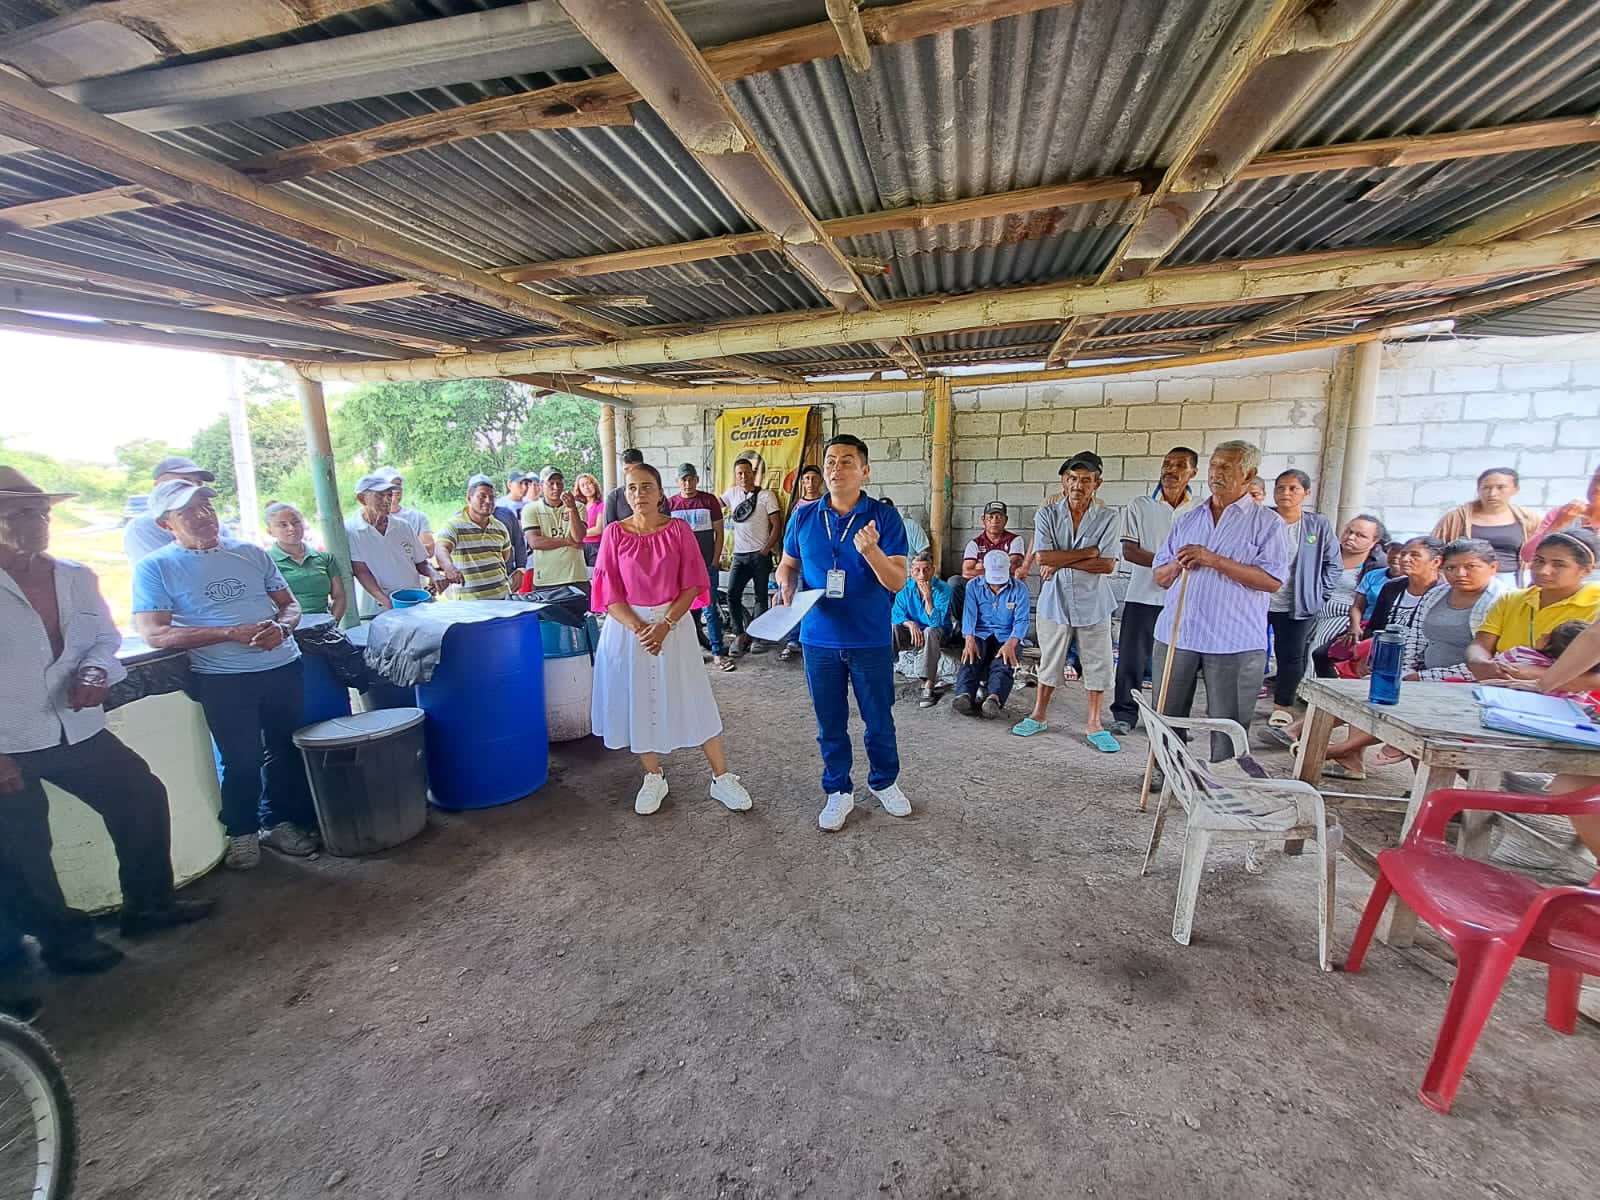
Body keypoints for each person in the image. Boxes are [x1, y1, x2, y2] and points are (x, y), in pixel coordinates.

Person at [0, 469, 214, 994]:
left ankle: (148, 906)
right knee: (24, 849)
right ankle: (62, 941)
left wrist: (97, 671)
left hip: (76, 726)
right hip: (8, 740)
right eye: (21, 513)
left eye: (42, 511)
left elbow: (103, 638)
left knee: (140, 796)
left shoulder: (74, 575)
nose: (38, 522)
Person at [132, 478, 320, 867]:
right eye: (189, 511)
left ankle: (278, 821)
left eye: (207, 506)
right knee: (242, 759)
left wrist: (282, 628)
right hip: (223, 679)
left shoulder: (250, 553)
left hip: (282, 667)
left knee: (284, 748)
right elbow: (154, 633)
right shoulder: (156, 567)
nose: (204, 516)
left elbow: (289, 605)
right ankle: (242, 832)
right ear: (166, 523)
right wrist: (228, 633)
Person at [589, 462, 755, 816]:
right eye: (632, 488)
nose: (639, 494)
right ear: (625, 494)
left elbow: (693, 582)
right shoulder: (614, 533)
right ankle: (653, 776)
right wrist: (640, 629)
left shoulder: (678, 530)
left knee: (693, 695)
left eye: (646, 486)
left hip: (673, 625)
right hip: (629, 630)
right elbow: (608, 592)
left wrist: (664, 625)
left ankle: (721, 777)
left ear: (661, 492)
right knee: (640, 700)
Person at [777, 434, 912, 831]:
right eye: (831, 461)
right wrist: (784, 583)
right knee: (830, 722)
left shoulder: (884, 518)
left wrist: (871, 551)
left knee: (878, 718)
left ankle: (884, 781)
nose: (836, 468)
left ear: (865, 471)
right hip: (818, 638)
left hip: (869, 637)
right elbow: (787, 565)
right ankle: (838, 789)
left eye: (847, 461)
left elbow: (897, 581)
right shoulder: (804, 517)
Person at [1151, 440, 1288, 763]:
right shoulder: (1188, 519)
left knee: (1228, 727)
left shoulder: (1268, 523)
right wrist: (1178, 565)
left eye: (1227, 467)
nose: (1217, 473)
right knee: (1166, 718)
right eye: (1214, 465)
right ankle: (1166, 774)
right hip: (1178, 634)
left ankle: (1225, 781)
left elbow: (1271, 581)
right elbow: (1160, 576)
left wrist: (1213, 559)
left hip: (1234, 641)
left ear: (1249, 475)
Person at [1013, 452, 1121, 751]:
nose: (1078, 485)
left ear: (1097, 484)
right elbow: (1043, 557)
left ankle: (1094, 723)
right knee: (1050, 659)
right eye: (1072, 478)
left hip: (1094, 601)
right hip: (1056, 600)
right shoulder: (1047, 514)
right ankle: (1038, 714)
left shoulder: (1109, 517)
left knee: (1098, 663)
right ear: (1063, 481)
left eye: (1086, 480)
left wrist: (1061, 561)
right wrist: (1088, 553)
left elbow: (1107, 565)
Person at [1109, 447, 1199, 736]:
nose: (1171, 470)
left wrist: (1177, 569)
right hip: (1142, 595)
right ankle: (1125, 713)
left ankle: (1172, 720)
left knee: (1179, 663)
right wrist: (1170, 565)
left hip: (1184, 598)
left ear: (1193, 473)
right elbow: (1130, 551)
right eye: (1167, 463)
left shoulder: (1200, 509)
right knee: (1132, 659)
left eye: (1180, 465)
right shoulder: (1140, 505)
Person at [1264, 469, 1343, 727]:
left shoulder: (1316, 525)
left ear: (1306, 493)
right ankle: (1240, 702)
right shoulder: (1263, 519)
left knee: (1291, 656)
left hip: (1296, 603)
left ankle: (1282, 707)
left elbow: (1334, 564)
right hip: (1258, 600)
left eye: (1293, 488)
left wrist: (1319, 595)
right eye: (1280, 487)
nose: (1285, 493)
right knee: (1249, 654)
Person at [1304, 514, 1388, 677]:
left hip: (1343, 616)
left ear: (1374, 541)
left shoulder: (1377, 567)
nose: (1350, 537)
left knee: (1318, 647)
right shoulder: (1326, 553)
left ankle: (1310, 687)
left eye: (1360, 535)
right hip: (1312, 608)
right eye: (1349, 531)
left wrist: (1355, 625)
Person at [345, 473, 438, 615]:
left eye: (389, 495)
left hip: (413, 603)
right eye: (379, 496)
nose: (388, 500)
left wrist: (434, 574)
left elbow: (421, 562)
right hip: (376, 609)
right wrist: (386, 602)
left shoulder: (403, 526)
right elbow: (361, 571)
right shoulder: (351, 530)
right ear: (362, 499)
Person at [954, 550, 1031, 719]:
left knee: (1004, 661)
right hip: (980, 633)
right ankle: (964, 695)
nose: (996, 585)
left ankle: (993, 699)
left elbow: (1022, 620)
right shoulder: (973, 586)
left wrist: (1011, 644)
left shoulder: (1020, 589)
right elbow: (969, 615)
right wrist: (969, 639)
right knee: (970, 657)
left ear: (1009, 569)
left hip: (1007, 635)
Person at [667, 463, 730, 670]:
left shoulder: (709, 501)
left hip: (706, 564)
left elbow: (719, 532)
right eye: (684, 479)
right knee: (685, 611)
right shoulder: (670, 504)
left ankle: (718, 652)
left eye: (691, 479)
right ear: (678, 482)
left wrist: (715, 559)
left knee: (710, 610)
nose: (688, 483)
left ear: (697, 480)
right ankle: (693, 653)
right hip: (681, 569)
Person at [1431, 466, 1540, 578]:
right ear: (1478, 490)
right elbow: (1433, 550)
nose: (1492, 493)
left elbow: (1541, 552)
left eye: (1500, 487)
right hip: (1465, 579)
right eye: (1486, 488)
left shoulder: (1528, 519)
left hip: (1513, 580)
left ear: (1515, 490)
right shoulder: (1456, 518)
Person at [721, 456, 782, 657]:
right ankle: (739, 635)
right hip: (739, 556)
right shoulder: (731, 494)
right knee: (732, 595)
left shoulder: (766, 496)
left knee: (760, 597)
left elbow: (776, 525)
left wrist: (765, 549)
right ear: (735, 476)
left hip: (759, 556)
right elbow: (713, 506)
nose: (744, 476)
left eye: (747, 472)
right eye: (740, 473)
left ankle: (757, 636)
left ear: (753, 474)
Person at [892, 550, 955, 708]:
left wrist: (928, 598)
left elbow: (935, 623)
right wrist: (909, 623)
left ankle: (929, 685)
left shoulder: (943, 590)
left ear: (933, 570)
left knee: (930, 631)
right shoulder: (906, 588)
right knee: (894, 627)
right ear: (911, 572)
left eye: (926, 569)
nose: (922, 575)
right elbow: (896, 614)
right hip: (914, 633)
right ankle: (883, 673)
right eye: (917, 570)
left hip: (939, 634)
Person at [123, 455, 215, 562]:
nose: (193, 486)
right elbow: (165, 568)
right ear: (158, 486)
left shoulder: (212, 522)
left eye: (199, 483)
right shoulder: (142, 526)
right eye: (185, 480)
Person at [436, 475, 513, 600]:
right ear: (469, 499)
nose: (488, 501)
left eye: (492, 497)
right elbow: (441, 549)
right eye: (482, 496)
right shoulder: (454, 525)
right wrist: (449, 568)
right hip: (469, 603)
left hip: (502, 598)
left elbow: (505, 556)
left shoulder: (500, 527)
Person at [266, 501, 346, 620]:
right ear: (270, 531)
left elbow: (339, 596)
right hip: (286, 626)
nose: (291, 528)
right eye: (283, 525)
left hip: (323, 624)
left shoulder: (325, 558)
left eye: (296, 522)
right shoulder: (266, 562)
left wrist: (332, 622)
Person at [778, 465, 825, 663]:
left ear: (821, 481)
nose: (811, 482)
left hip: (818, 561)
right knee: (793, 596)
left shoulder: (827, 503)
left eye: (814, 478)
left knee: (816, 600)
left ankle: (814, 639)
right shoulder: (797, 508)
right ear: (802, 482)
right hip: (798, 560)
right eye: (807, 478)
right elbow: (790, 538)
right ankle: (793, 640)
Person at [521, 466, 590, 593]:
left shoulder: (578, 507)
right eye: (551, 483)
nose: (556, 487)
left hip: (576, 576)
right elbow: (535, 542)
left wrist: (572, 509)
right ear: (541, 485)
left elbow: (578, 537)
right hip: (546, 579)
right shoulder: (531, 509)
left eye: (559, 483)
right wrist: (568, 541)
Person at [1521, 465, 1600, 572]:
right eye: (1595, 480)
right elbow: (1527, 555)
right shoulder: (1563, 513)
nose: (1597, 487)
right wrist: (1559, 523)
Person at [379, 467, 436, 560]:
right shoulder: (370, 521)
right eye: (390, 486)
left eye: (398, 485)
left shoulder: (417, 517)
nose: (396, 490)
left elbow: (429, 550)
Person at [494, 472, 530, 572]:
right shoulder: (500, 507)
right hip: (508, 560)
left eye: (526, 484)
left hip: (529, 558)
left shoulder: (530, 505)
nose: (524, 487)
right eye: (520, 483)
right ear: (509, 484)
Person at [603, 448, 646, 526]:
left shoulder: (655, 494)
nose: (631, 473)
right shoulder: (614, 496)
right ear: (622, 469)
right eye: (626, 469)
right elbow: (608, 529)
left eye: (636, 469)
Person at [574, 472, 605, 568]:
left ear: (594, 485)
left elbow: (598, 529)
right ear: (579, 489)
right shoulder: (579, 507)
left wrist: (578, 533)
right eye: (583, 485)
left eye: (589, 483)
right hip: (580, 546)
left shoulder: (601, 505)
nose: (586, 487)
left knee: (593, 572)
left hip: (595, 546)